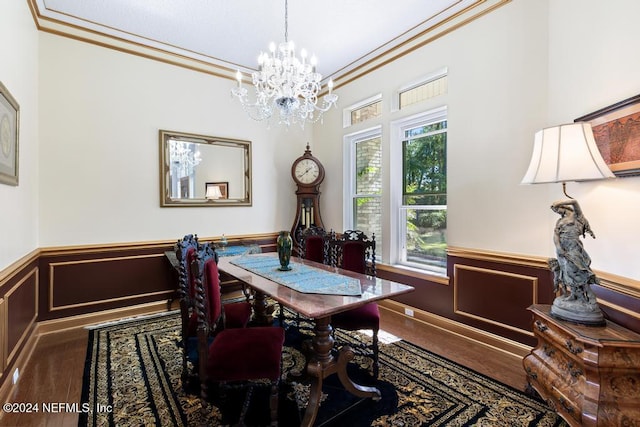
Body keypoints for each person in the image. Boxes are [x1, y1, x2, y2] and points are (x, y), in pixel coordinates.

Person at [549, 199, 600, 309]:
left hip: (573, 247)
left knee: (577, 270)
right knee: (566, 272)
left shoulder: (577, 216)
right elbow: (556, 235)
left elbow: (575, 202)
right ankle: (574, 294)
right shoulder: (559, 221)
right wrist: (558, 248)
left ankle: (590, 296)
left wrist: (559, 203)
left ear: (564, 206)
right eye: (555, 211)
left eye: (557, 209)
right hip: (562, 249)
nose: (557, 211)